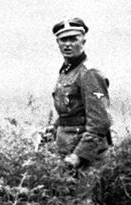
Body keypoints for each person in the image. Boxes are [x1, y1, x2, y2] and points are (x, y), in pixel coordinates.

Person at [42, 17, 111, 170]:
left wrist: (79, 155)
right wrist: (52, 130)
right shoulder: (67, 72)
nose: (68, 44)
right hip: (66, 149)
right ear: (57, 43)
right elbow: (69, 113)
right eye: (63, 40)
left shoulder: (89, 73)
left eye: (73, 39)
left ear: (83, 41)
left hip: (88, 157)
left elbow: (100, 122)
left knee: (84, 194)